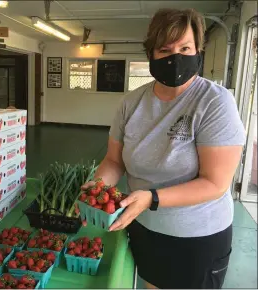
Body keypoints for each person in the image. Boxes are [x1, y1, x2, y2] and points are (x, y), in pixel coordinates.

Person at [82, 8, 246, 289]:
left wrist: (152, 198)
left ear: (198, 50)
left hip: (198, 238)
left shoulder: (215, 103)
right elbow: (113, 161)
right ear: (151, 55)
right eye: (165, 49)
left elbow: (215, 183)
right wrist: (94, 188)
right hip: (144, 228)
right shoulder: (131, 104)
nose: (175, 58)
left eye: (185, 47)